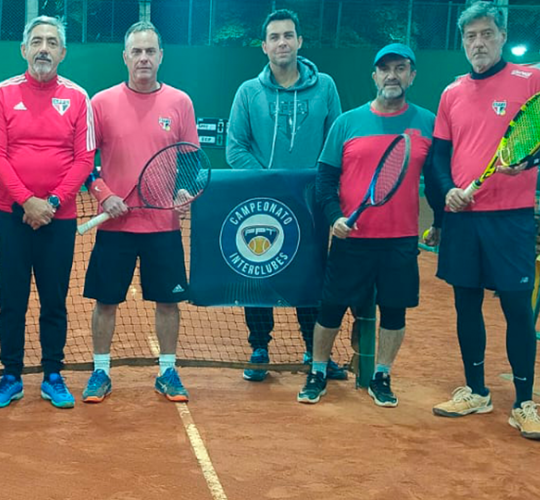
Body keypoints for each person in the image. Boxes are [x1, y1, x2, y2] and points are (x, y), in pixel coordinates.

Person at [429, 1, 540, 441]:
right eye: (470, 36)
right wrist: (448, 190)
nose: (478, 43)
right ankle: (476, 391)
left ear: (502, 36)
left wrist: (527, 161)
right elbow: (438, 157)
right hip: (463, 218)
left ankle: (524, 403)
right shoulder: (451, 92)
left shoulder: (532, 81)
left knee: (515, 307)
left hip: (511, 219)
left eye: (487, 34)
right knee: (465, 304)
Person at [297, 43, 442, 407]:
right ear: (374, 76)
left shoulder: (427, 123)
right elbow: (325, 181)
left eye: (400, 68)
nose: (392, 75)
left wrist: (440, 221)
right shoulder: (347, 123)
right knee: (330, 307)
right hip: (352, 239)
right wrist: (335, 217)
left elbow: (436, 181)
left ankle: (382, 375)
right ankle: (317, 371)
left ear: (412, 75)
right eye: (385, 69)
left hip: (401, 241)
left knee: (394, 310)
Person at [225, 9, 345, 382]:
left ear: (299, 41)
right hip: (263, 203)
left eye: (288, 35)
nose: (282, 43)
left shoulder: (325, 86)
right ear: (264, 46)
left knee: (311, 274)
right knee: (259, 273)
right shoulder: (248, 91)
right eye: (274, 37)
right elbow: (235, 148)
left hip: (311, 204)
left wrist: (315, 185)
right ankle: (259, 348)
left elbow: (336, 143)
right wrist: (272, 181)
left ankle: (314, 350)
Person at [80, 22, 197, 404]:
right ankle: (100, 371)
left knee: (168, 302)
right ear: (125, 57)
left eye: (150, 51)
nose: (143, 58)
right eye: (136, 51)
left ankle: (167, 371)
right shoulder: (101, 103)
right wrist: (104, 194)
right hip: (115, 226)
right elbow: (83, 163)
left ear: (161, 56)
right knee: (106, 301)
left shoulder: (180, 102)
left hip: (163, 224)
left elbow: (191, 162)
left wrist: (184, 190)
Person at [0, 16, 95, 409]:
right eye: (36, 41)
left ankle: (52, 375)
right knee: (12, 300)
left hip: (58, 219)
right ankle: (11, 376)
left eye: (51, 42)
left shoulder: (78, 97)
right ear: (24, 50)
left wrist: (51, 203)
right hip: (11, 216)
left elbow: (84, 159)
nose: (43, 48)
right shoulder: (2, 93)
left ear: (62, 52)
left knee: (54, 300)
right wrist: (26, 200)